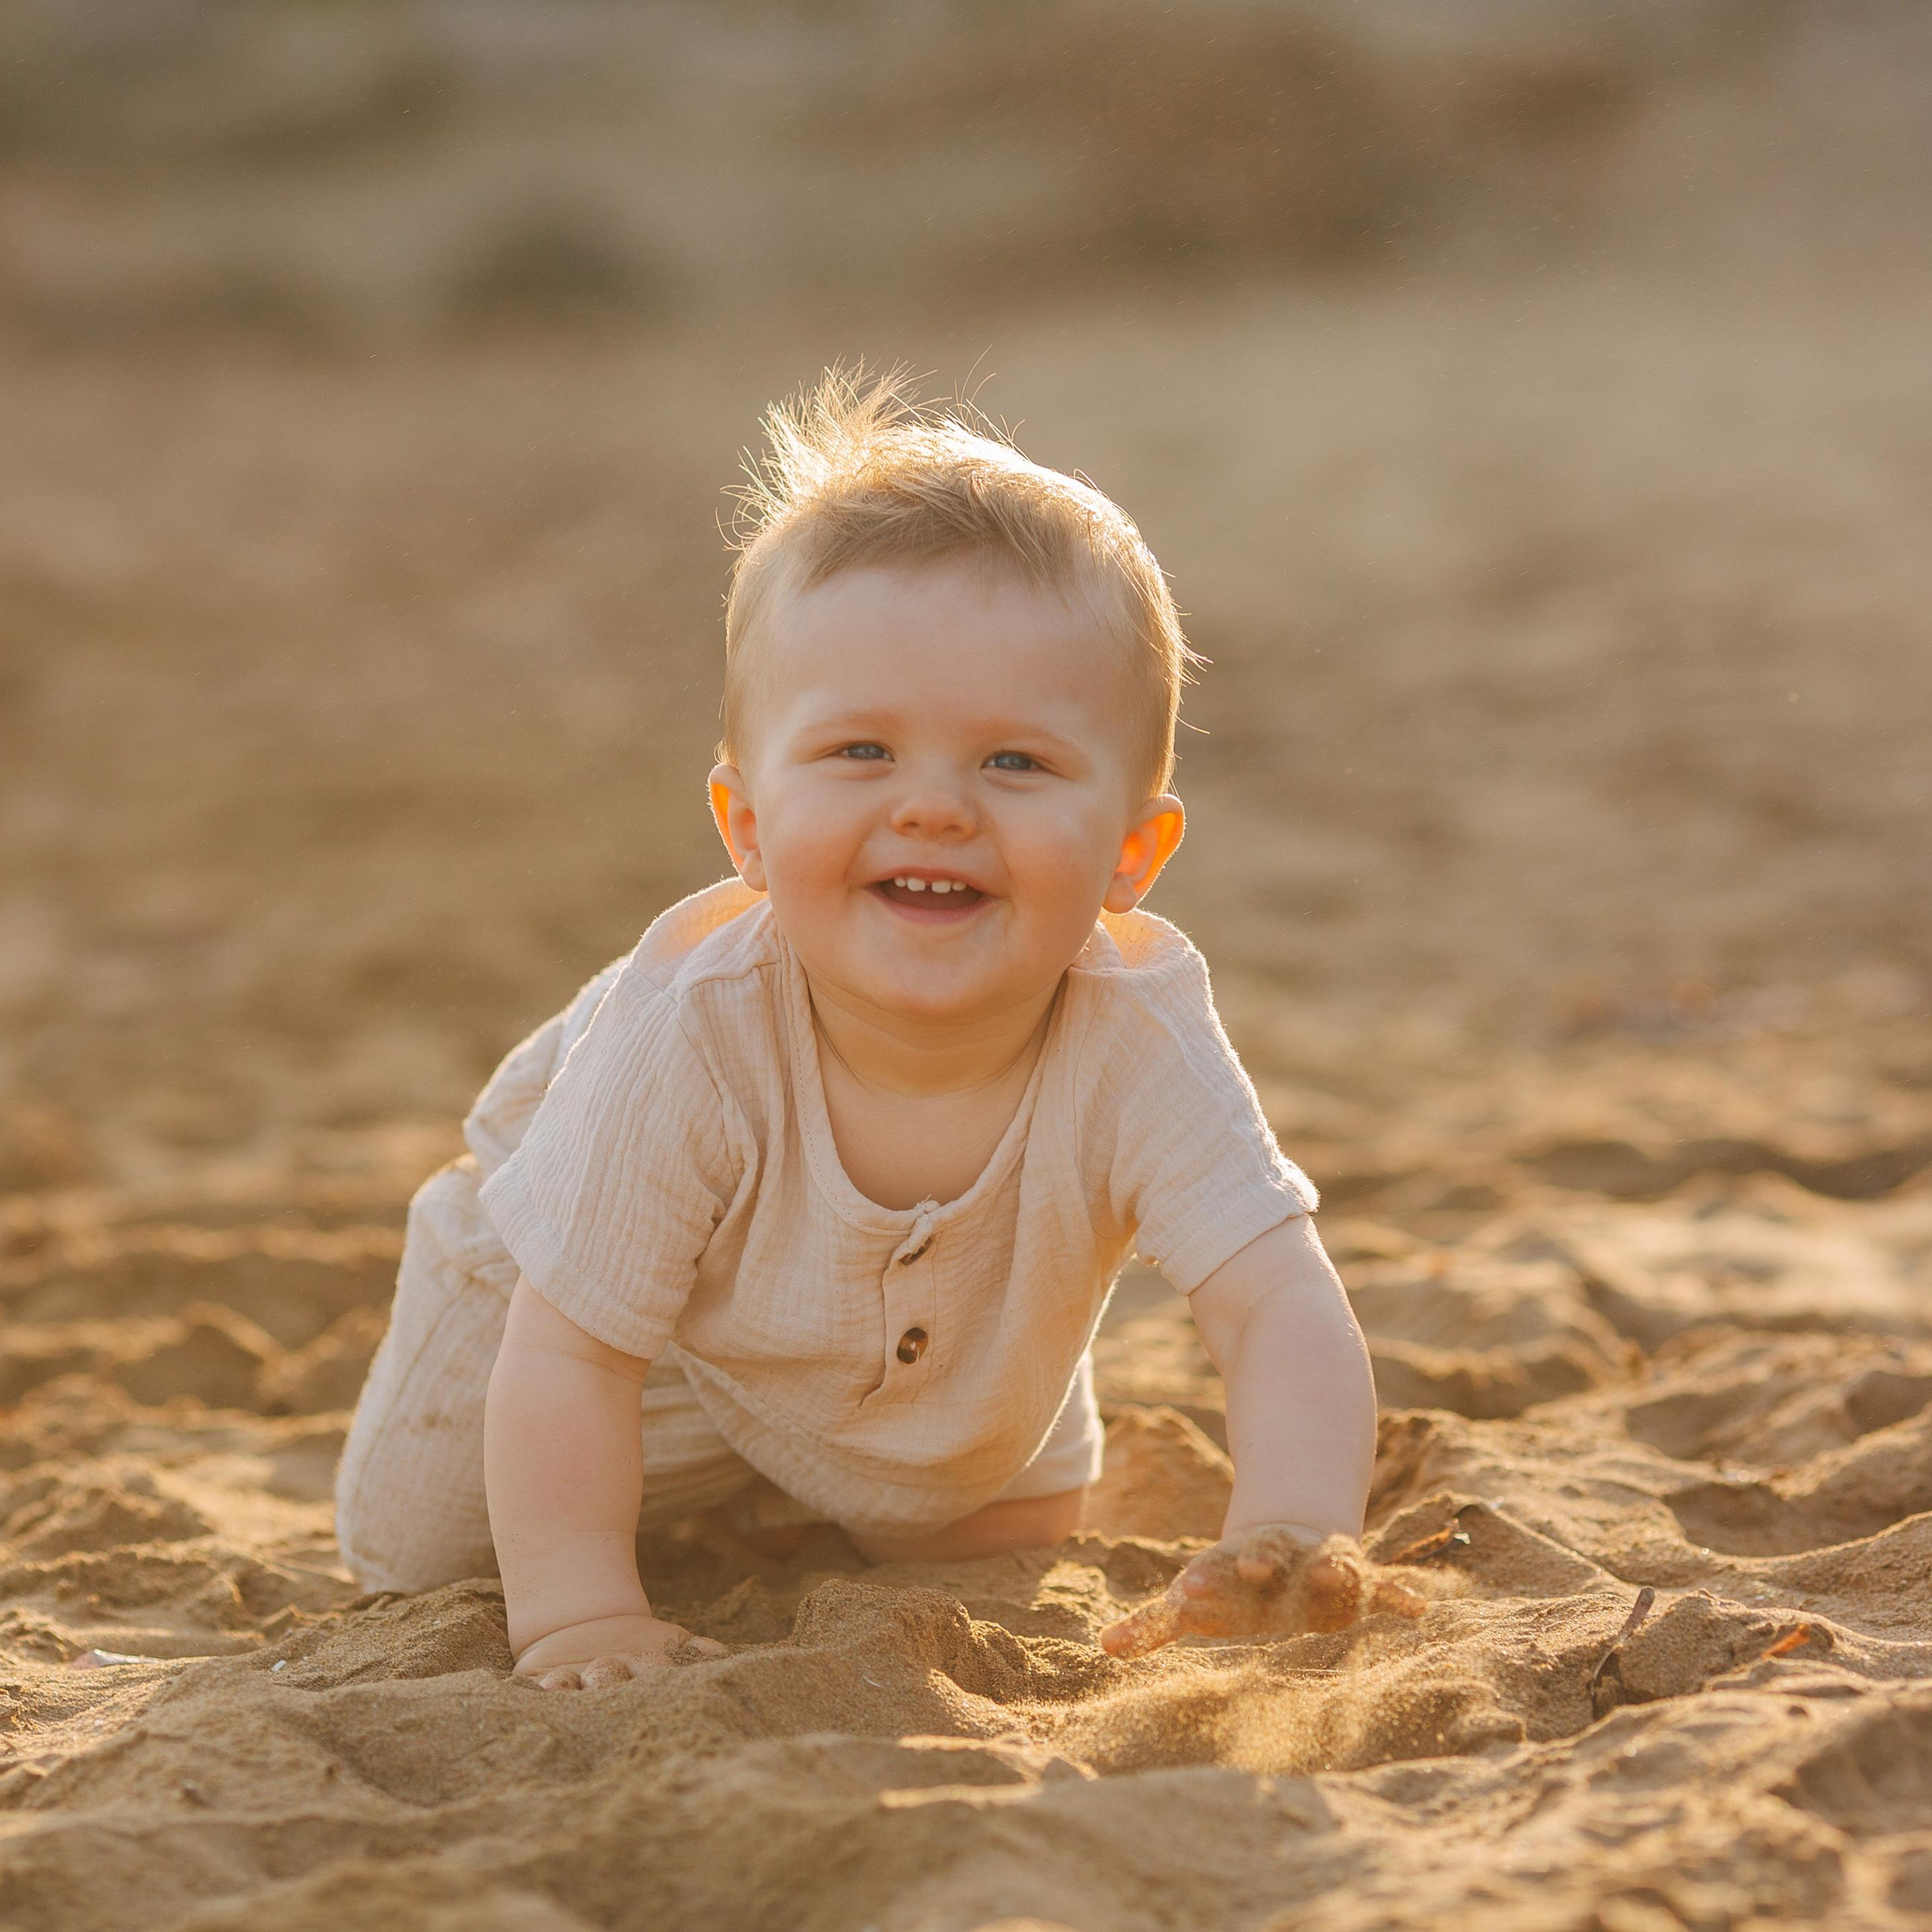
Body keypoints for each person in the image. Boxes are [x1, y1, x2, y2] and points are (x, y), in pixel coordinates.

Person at [334, 369, 1384, 1690]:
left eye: (1015, 762)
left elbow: (1277, 1297)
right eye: (861, 754)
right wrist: (579, 1615)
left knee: (988, 1530)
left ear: (1133, 851)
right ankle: (677, 1502)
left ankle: (805, 1485)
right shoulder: (697, 1028)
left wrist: (1294, 1529)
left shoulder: (1139, 1032)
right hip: (586, 1314)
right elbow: (571, 1351)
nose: (934, 807)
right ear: (747, 827)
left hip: (929, 1361)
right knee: (424, 1551)